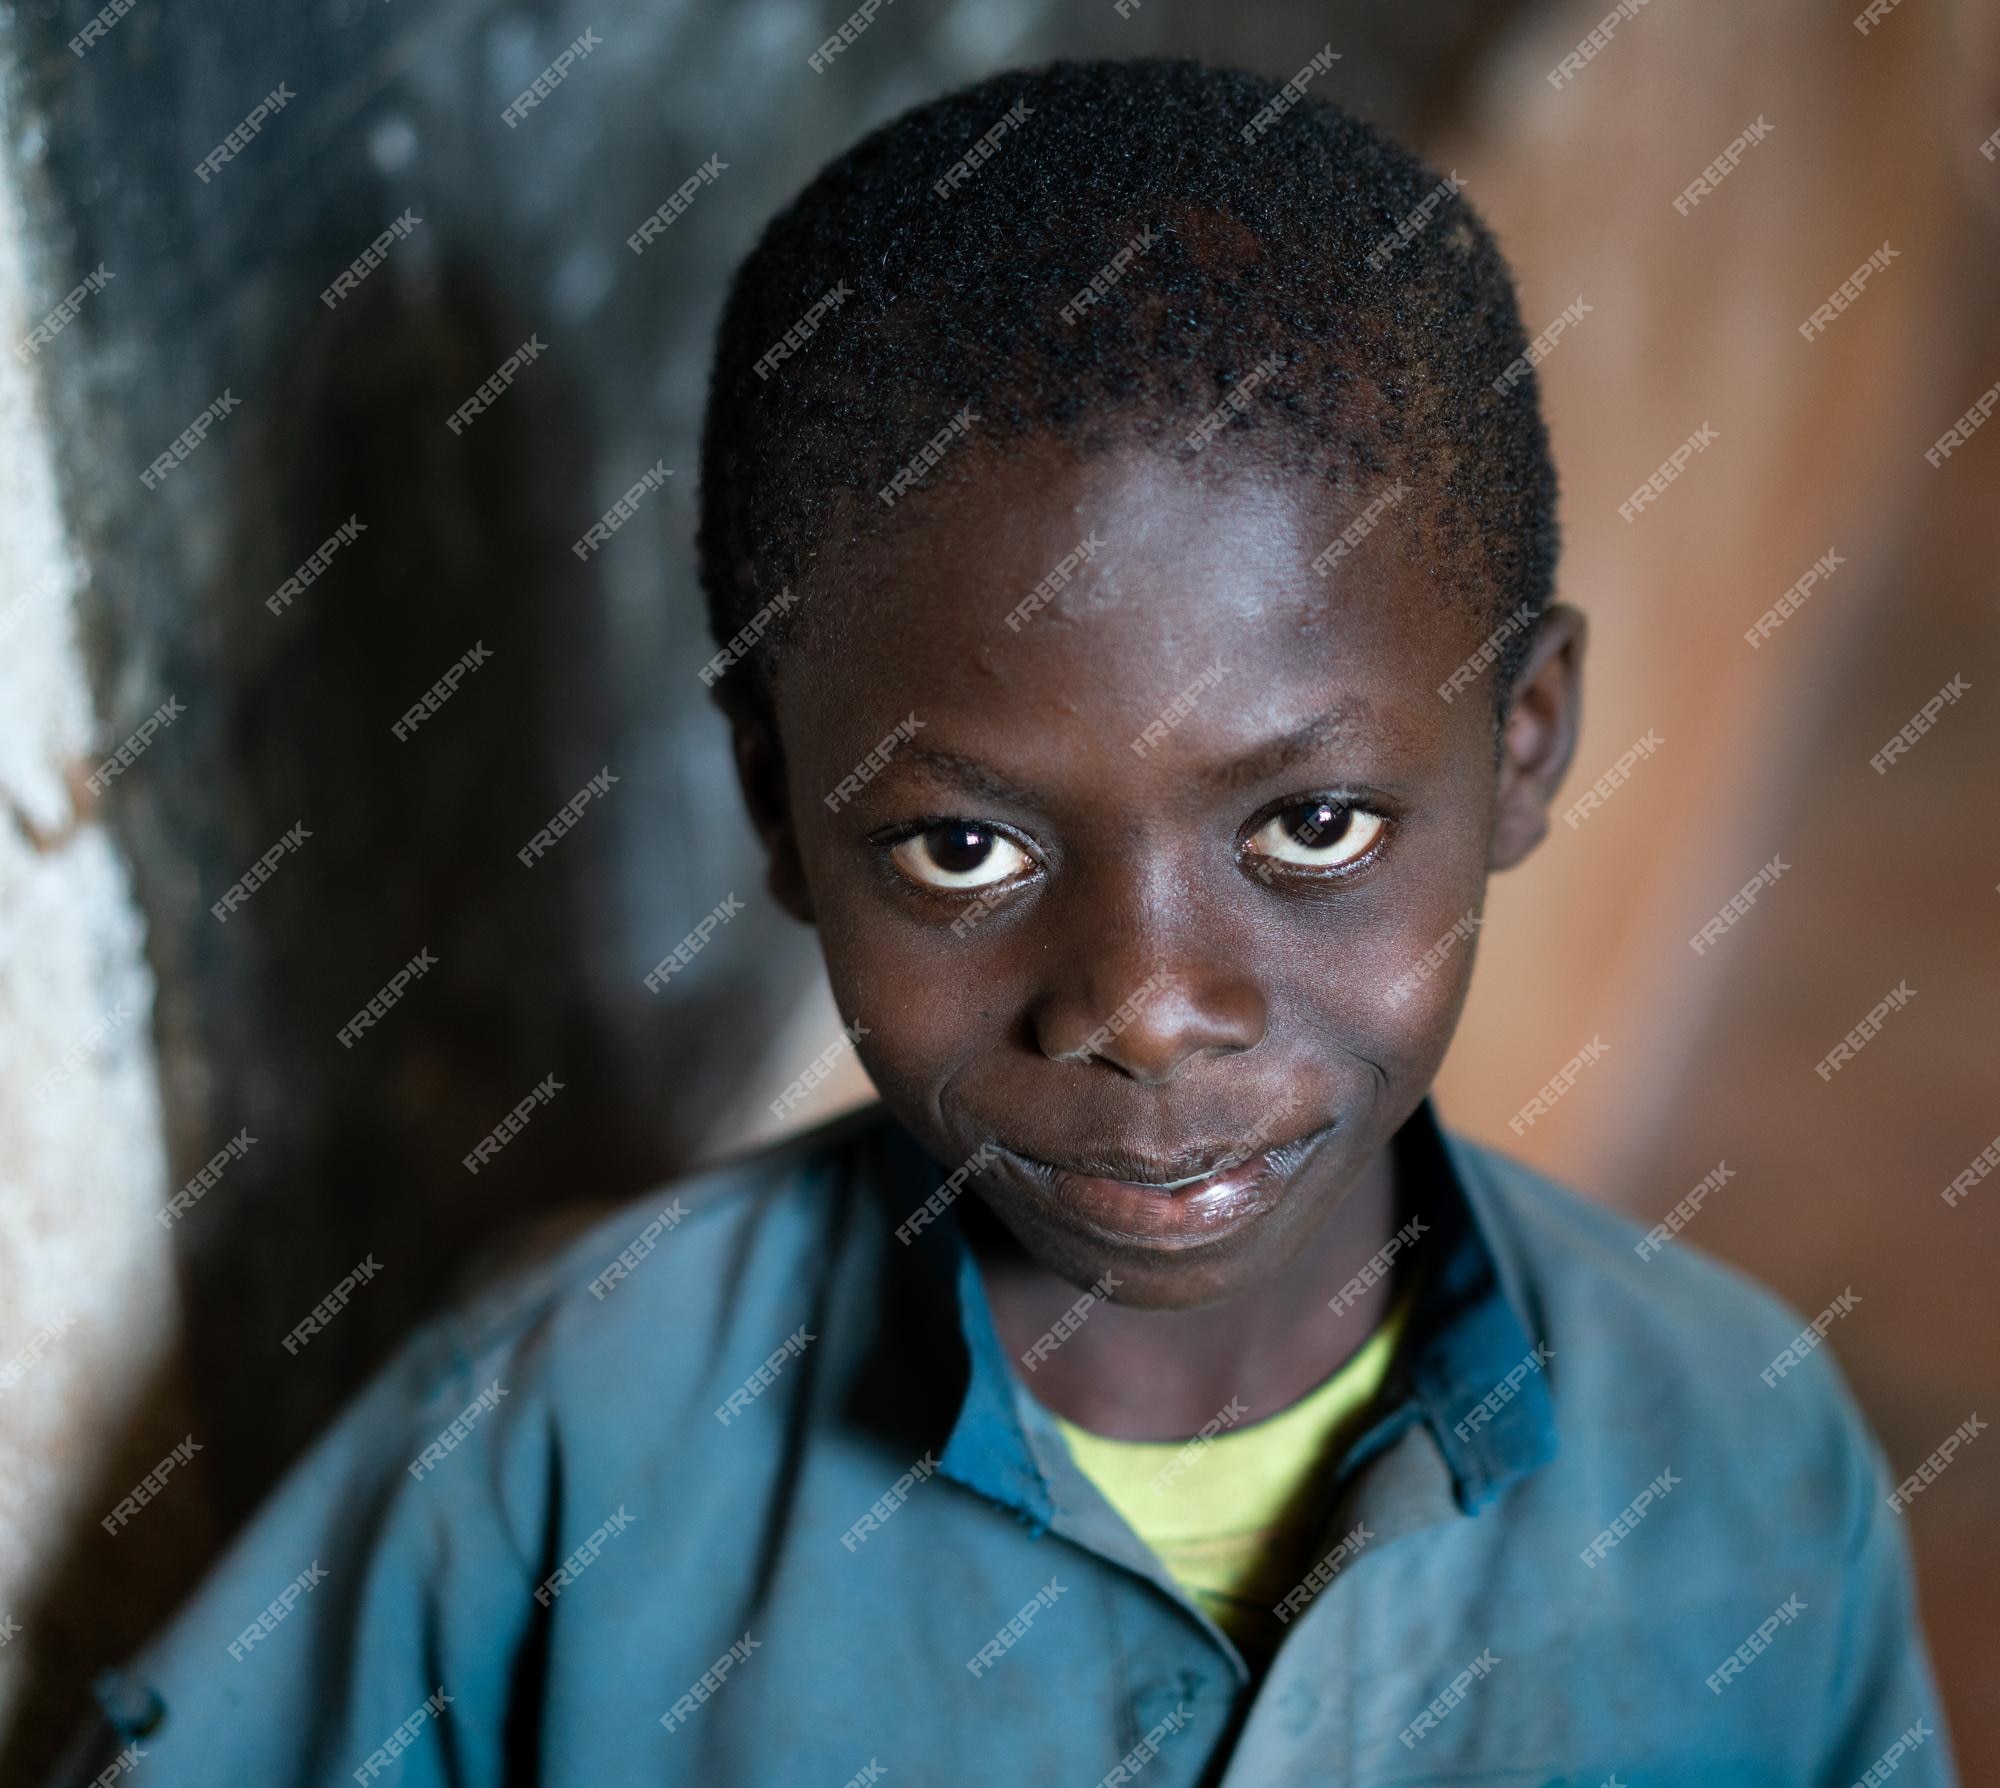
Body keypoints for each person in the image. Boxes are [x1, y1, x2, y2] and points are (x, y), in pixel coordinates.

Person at [53, 56, 1957, 1787]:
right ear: (781, 813)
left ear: (1524, 745)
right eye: (965, 853)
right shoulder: (552, 1463)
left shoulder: (1746, 1480)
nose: (1143, 1007)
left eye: (1308, 825)